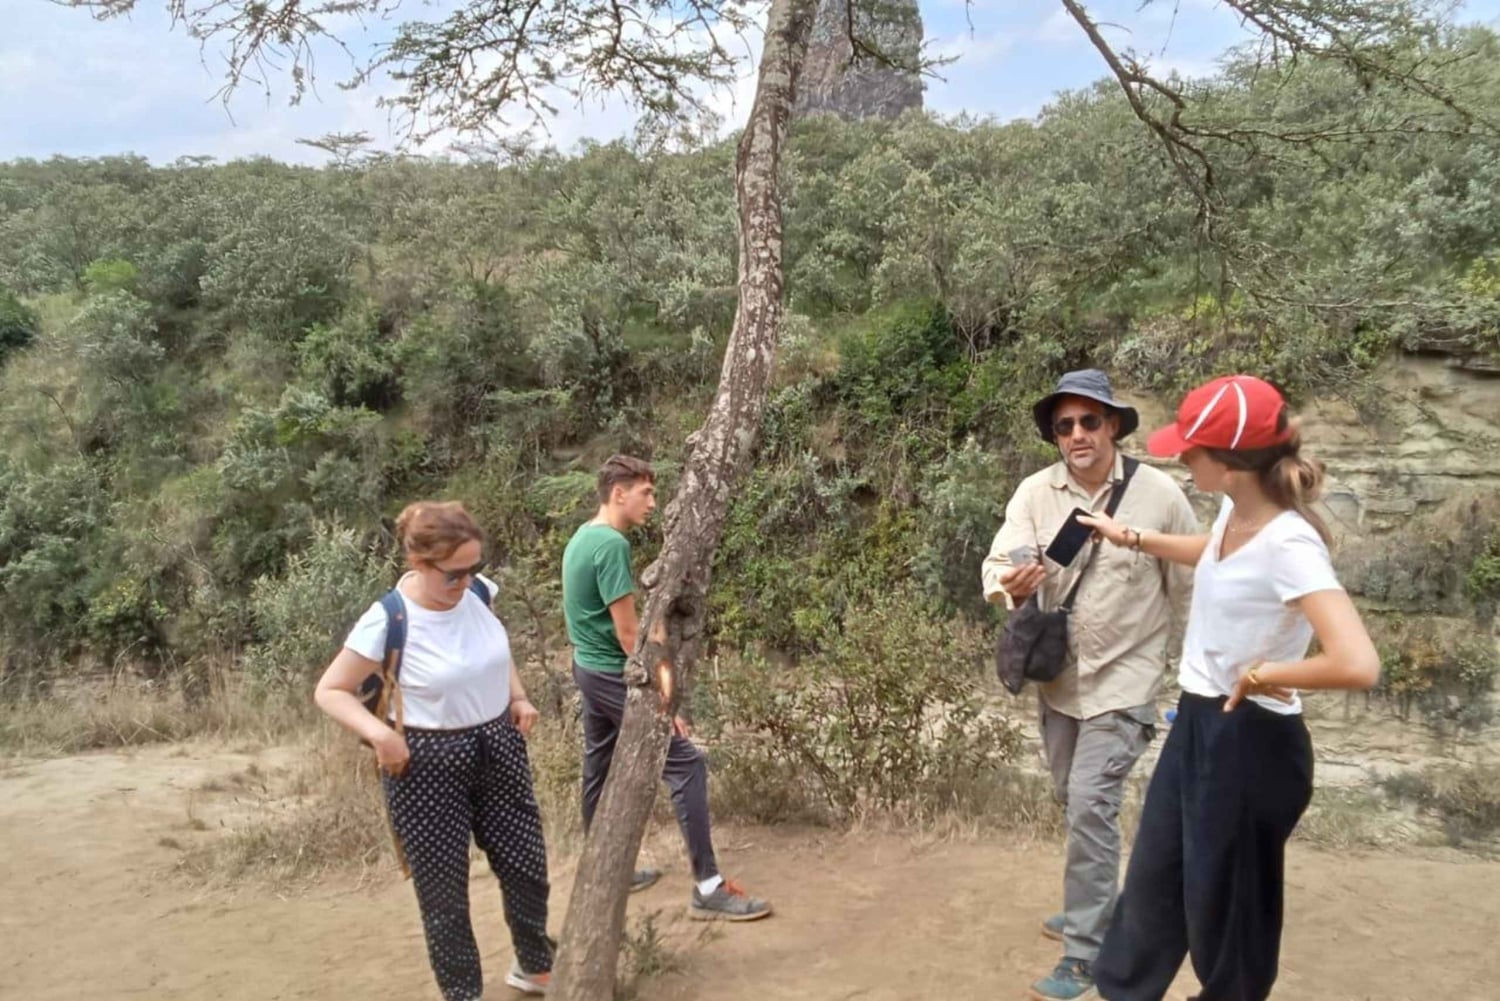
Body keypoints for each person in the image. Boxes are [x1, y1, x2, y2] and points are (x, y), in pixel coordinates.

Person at [1080, 374, 1380, 1001]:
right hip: (1198, 720)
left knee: (1230, 907)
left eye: (1192, 447)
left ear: (1232, 461)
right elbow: (1215, 553)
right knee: (1157, 879)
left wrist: (1265, 672)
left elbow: (1357, 662)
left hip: (1253, 739)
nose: (1181, 455)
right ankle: (1124, 991)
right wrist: (1133, 537)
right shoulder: (1234, 510)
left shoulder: (1291, 544)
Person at [982, 369, 1198, 1001]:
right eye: (1064, 425)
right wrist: (1008, 582)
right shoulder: (1034, 492)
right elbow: (999, 562)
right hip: (1060, 684)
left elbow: (1187, 590)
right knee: (1070, 801)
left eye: (1089, 421)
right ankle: (1092, 906)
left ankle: (1086, 954)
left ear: (1113, 426)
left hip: (1125, 684)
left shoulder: (1158, 496)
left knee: (1090, 806)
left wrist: (1196, 681)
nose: (1076, 434)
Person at [314, 501, 554, 1000]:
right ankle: (462, 993)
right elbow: (331, 690)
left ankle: (535, 965)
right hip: (425, 762)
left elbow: (496, 649)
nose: (465, 583)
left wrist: (518, 696)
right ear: (419, 563)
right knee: (444, 892)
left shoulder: (480, 594)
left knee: (526, 863)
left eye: (474, 569)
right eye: (453, 574)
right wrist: (381, 736)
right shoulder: (387, 620)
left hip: (498, 743)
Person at [561, 454, 771, 921]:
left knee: (598, 764)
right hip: (613, 673)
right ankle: (709, 887)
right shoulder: (610, 545)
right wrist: (664, 700)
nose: (653, 502)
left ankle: (603, 869)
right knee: (687, 765)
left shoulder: (581, 537)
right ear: (619, 493)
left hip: (587, 669)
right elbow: (627, 635)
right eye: (646, 492)